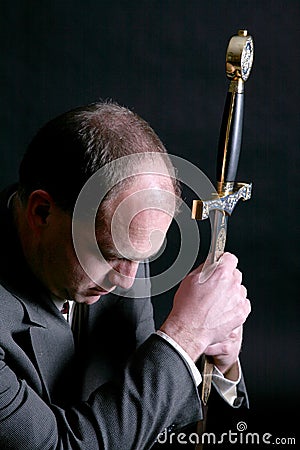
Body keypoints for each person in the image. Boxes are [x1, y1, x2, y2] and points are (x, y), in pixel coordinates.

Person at [0, 102, 251, 449]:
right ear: (42, 213)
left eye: (143, 258)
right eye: (112, 255)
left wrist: (219, 368)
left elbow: (143, 418)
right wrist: (183, 339)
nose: (128, 281)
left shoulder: (122, 242)